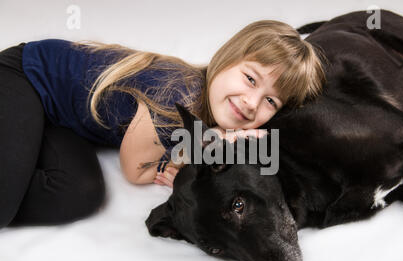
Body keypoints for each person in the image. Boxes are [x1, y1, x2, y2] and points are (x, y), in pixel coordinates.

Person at [0, 20, 325, 229]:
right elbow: (136, 169)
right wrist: (185, 156)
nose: (251, 102)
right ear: (227, 59)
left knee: (80, 194)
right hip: (23, 77)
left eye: (271, 101)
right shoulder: (178, 95)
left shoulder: (212, 115)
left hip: (61, 120)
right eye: (250, 78)